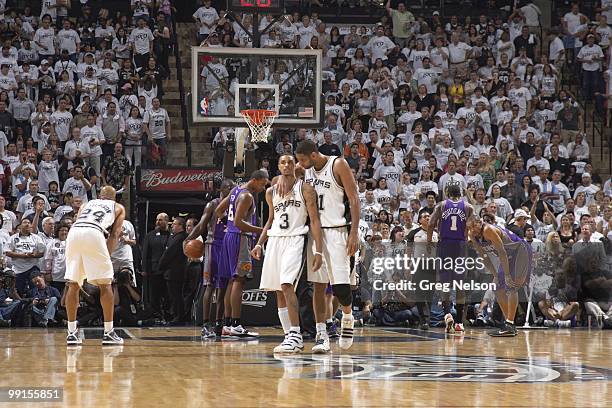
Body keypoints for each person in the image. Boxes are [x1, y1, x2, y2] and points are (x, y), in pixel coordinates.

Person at [291, 140, 361, 353]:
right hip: (315, 233)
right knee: (318, 285)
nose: (300, 164)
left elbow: (354, 198)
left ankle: (348, 318)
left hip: (338, 229)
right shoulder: (305, 171)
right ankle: (321, 334)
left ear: (314, 155)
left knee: (340, 287)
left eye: (303, 160)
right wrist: (297, 173)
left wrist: (354, 232)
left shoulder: (337, 165)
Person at [252, 155, 323, 353]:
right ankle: (289, 337)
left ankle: (296, 334)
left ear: (295, 165)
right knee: (278, 290)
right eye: (282, 162)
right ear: (278, 166)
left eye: (290, 162)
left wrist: (318, 249)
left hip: (296, 238)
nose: (286, 165)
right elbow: (270, 220)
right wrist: (259, 244)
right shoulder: (270, 192)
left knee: (286, 285)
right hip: (275, 239)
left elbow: (315, 221)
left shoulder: (306, 189)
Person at [63, 186, 126, 345]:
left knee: (73, 284)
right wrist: (107, 255)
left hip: (74, 232)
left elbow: (79, 221)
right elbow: (115, 234)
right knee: (105, 284)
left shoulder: (86, 204)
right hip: (94, 232)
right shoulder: (118, 207)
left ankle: (71, 333)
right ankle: (109, 332)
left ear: (100, 196)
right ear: (114, 198)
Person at [215, 171, 269, 337]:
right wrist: (263, 231)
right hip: (240, 239)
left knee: (233, 281)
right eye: (262, 184)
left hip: (229, 238)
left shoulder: (235, 190)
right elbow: (239, 222)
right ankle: (236, 324)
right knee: (239, 280)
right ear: (255, 180)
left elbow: (219, 210)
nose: (263, 188)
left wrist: (227, 224)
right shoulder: (247, 197)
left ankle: (229, 324)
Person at [183, 179, 234, 338]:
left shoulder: (235, 205)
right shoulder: (213, 204)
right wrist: (188, 239)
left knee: (223, 287)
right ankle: (205, 324)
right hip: (213, 245)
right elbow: (201, 226)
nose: (233, 191)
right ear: (223, 189)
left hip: (227, 246)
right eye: (230, 188)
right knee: (209, 286)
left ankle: (219, 324)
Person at [467, 216, 533, 337]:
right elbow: (484, 256)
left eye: (473, 226)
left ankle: (509, 323)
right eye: (469, 228)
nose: (472, 230)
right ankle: (509, 324)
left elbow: (502, 251)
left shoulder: (488, 230)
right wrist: (495, 274)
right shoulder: (472, 235)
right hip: (508, 257)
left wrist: (507, 275)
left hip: (520, 250)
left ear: (480, 222)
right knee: (497, 288)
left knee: (511, 285)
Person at [427, 183, 473, 333]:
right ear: (460, 194)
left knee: (444, 282)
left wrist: (429, 242)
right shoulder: (467, 207)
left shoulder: (441, 205)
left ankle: (447, 314)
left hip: (445, 244)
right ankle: (459, 321)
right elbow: (474, 224)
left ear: (447, 193)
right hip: (460, 245)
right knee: (460, 284)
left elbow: (430, 223)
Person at [158, 216, 188, 325]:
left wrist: (160, 265)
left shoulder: (179, 238)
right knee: (174, 294)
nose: (172, 226)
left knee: (176, 295)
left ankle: (178, 316)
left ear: (181, 226)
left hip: (175, 271)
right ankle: (176, 315)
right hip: (173, 271)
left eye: (174, 224)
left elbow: (169, 253)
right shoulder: (175, 237)